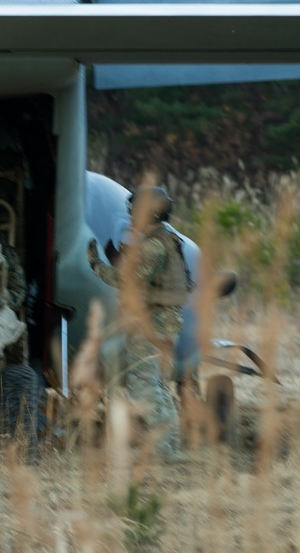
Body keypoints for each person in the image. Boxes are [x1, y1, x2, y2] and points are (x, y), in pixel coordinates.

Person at [86, 185, 190, 459]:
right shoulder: (167, 240)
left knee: (143, 387)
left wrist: (96, 264)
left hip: (151, 326)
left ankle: (164, 450)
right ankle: (170, 448)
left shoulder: (153, 245)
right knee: (157, 386)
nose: (130, 215)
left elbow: (128, 282)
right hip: (164, 325)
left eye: (134, 210)